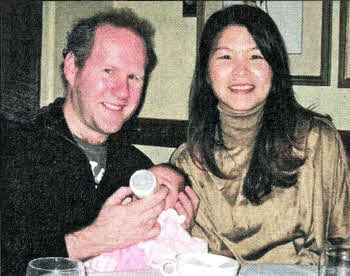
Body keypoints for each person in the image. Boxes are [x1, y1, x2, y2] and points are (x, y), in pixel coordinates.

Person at [1, 8, 198, 274]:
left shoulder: (140, 169)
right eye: (108, 71)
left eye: (134, 77)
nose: (122, 91)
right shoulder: (12, 149)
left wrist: (170, 232)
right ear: (72, 68)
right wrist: (94, 239)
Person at [170, 4, 350, 265]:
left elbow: (344, 239)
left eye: (255, 57)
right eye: (225, 57)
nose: (241, 71)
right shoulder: (187, 162)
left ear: (274, 68)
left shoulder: (316, 141)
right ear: (206, 73)